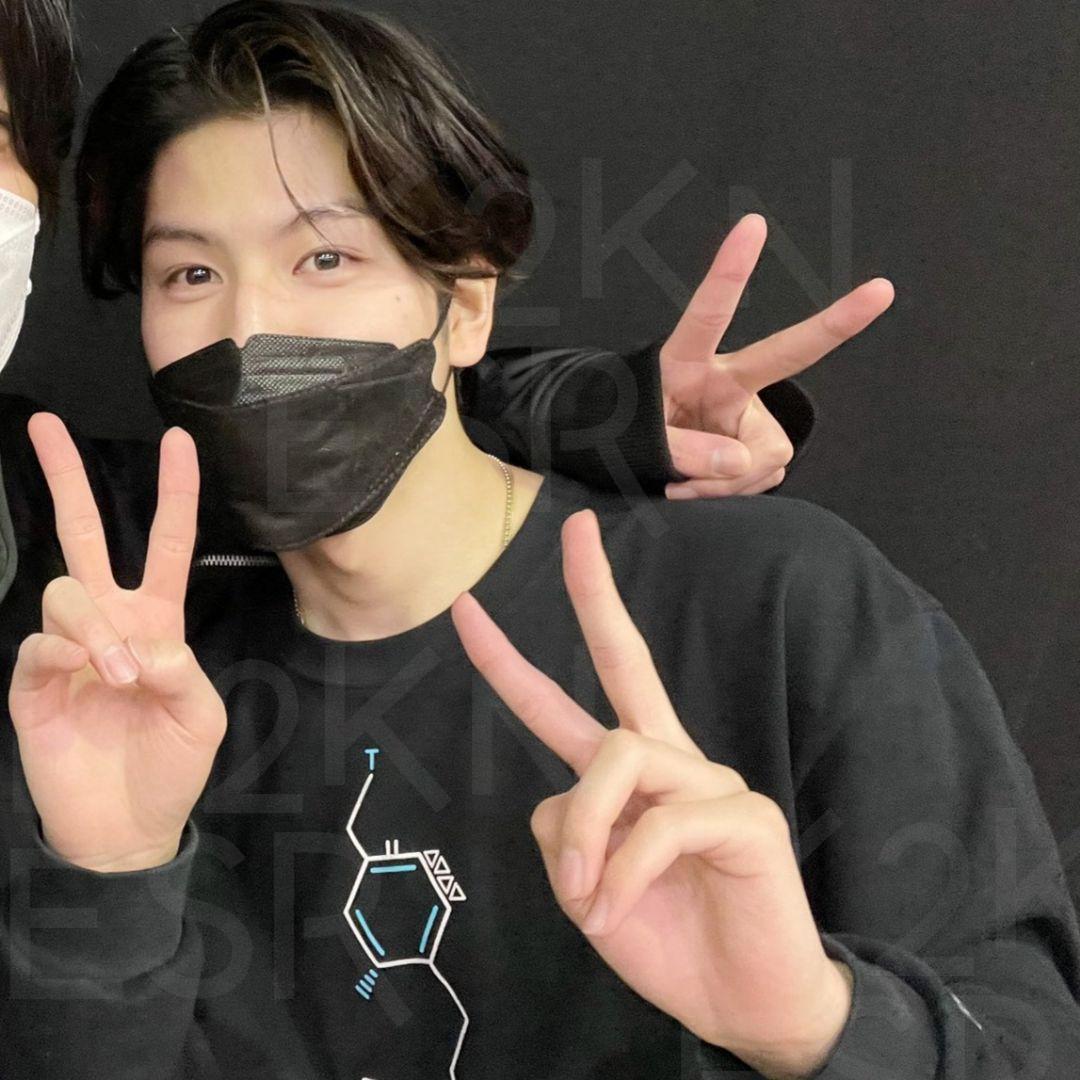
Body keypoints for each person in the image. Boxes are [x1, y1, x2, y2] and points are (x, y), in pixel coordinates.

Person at [10, 2, 1074, 1079]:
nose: (250, 333)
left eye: (325, 257)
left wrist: (816, 1024)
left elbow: (1030, 1035)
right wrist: (111, 877)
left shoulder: (780, 604)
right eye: (190, 275)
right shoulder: (136, 699)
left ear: (466, 304)